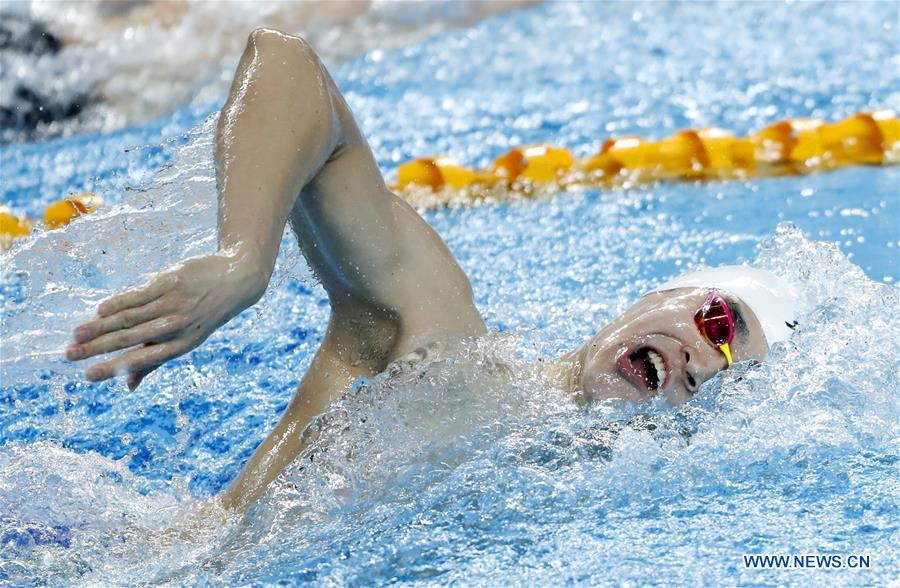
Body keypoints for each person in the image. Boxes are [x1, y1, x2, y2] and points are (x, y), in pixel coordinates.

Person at [65, 29, 798, 513]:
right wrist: (244, 257)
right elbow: (288, 64)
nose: (704, 363)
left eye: (722, 379)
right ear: (654, 298)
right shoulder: (442, 339)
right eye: (717, 321)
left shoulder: (561, 495)